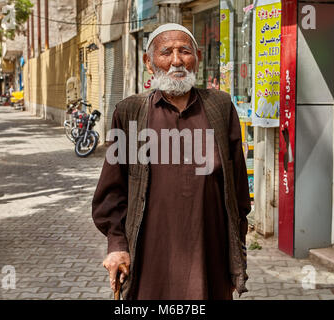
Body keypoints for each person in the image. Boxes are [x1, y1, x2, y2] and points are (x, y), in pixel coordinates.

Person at [92, 23, 251, 300]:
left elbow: (237, 191)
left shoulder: (220, 107)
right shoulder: (129, 112)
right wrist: (117, 244)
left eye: (185, 51)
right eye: (166, 52)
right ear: (149, 62)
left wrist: (237, 248)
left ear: (197, 58)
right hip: (149, 257)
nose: (177, 60)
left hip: (209, 251)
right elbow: (112, 190)